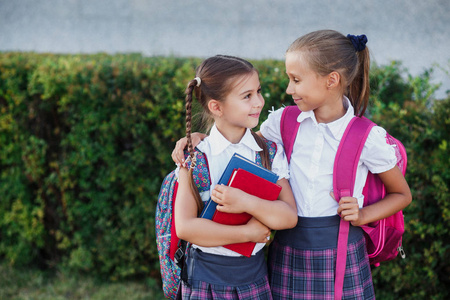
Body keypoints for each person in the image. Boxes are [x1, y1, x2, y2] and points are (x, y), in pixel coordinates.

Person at [172, 30, 412, 299]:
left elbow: (401, 194)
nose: (288, 89)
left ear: (332, 80)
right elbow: (242, 143)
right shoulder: (282, 122)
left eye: (296, 80)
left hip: (342, 250)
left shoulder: (367, 137)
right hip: (286, 251)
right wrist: (197, 136)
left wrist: (364, 215)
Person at [174, 55, 298, 299]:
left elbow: (289, 216)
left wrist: (245, 202)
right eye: (247, 96)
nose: (259, 102)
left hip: (253, 277)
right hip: (204, 280)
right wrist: (246, 234)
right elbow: (185, 227)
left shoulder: (269, 152)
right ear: (216, 107)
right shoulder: (195, 157)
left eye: (258, 92)